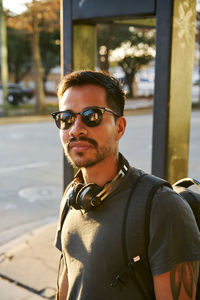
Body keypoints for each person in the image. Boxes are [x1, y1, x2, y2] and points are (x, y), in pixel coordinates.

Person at [52, 70, 200, 300]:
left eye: (92, 116)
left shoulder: (161, 206)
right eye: (66, 118)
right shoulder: (73, 197)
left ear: (119, 128)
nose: (76, 129)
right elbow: (67, 286)